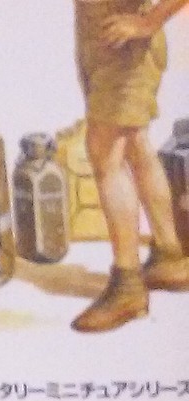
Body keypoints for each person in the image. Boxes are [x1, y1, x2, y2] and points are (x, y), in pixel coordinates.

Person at [70, 0, 189, 332]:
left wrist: (149, 21)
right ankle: (168, 256)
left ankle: (128, 285)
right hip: (101, 37)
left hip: (127, 46)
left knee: (105, 153)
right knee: (136, 146)